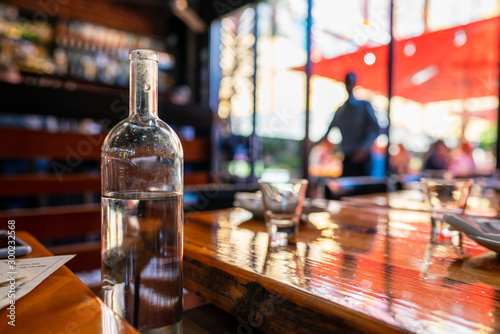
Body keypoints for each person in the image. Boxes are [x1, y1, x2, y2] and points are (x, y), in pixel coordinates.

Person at [320, 72, 380, 177]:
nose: (349, 85)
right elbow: (327, 132)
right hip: (347, 159)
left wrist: (364, 148)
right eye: (347, 82)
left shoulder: (364, 105)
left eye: (351, 81)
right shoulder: (340, 111)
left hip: (363, 160)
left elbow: (376, 128)